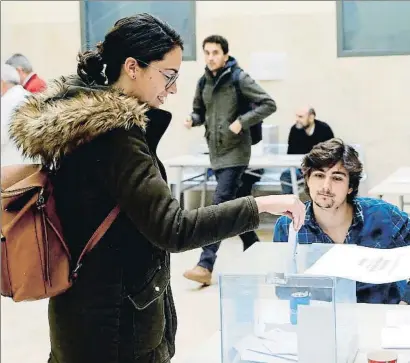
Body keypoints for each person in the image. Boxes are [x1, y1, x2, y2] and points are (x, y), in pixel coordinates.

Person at [9, 14, 305, 363]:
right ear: (133, 67)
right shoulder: (116, 138)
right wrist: (260, 206)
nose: (174, 87)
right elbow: (173, 229)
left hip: (82, 316)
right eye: (169, 75)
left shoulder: (80, 126)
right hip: (118, 330)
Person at [183, 35, 277, 285]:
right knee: (234, 208)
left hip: (236, 153)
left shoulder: (238, 78)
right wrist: (192, 119)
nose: (211, 57)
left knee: (219, 205)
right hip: (216, 153)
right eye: (207, 52)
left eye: (215, 52)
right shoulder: (204, 81)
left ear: (225, 55)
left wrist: (242, 122)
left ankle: (205, 264)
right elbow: (199, 111)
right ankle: (256, 248)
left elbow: (269, 104)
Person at [273, 139, 410, 305]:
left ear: (350, 186)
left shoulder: (382, 215)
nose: (326, 186)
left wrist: (406, 300)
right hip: (321, 319)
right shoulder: (288, 226)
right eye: (318, 175)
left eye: (337, 178)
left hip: (381, 316)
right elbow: (282, 288)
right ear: (308, 180)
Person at [280, 106, 334, 194]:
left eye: (300, 117)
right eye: (296, 116)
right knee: (286, 175)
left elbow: (331, 154)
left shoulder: (324, 129)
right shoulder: (295, 130)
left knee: (320, 177)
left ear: (311, 117)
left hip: (320, 167)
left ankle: (319, 205)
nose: (297, 119)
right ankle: (289, 203)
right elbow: (290, 153)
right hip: (300, 167)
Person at [1, 63, 31, 166]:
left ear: (2, 83)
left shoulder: (5, 102)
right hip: (36, 169)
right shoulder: (30, 96)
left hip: (10, 168)